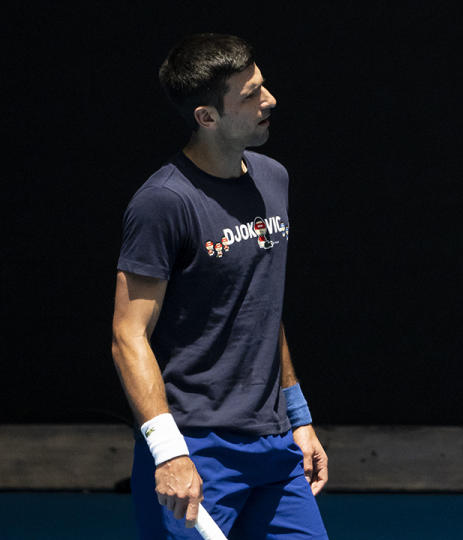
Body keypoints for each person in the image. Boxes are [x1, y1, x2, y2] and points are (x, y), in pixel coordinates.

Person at [111, 33, 329, 539]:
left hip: (275, 448)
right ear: (206, 117)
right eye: (250, 94)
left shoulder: (274, 179)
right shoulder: (162, 203)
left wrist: (298, 417)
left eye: (263, 85)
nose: (269, 100)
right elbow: (128, 337)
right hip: (195, 449)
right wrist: (169, 453)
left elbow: (260, 305)